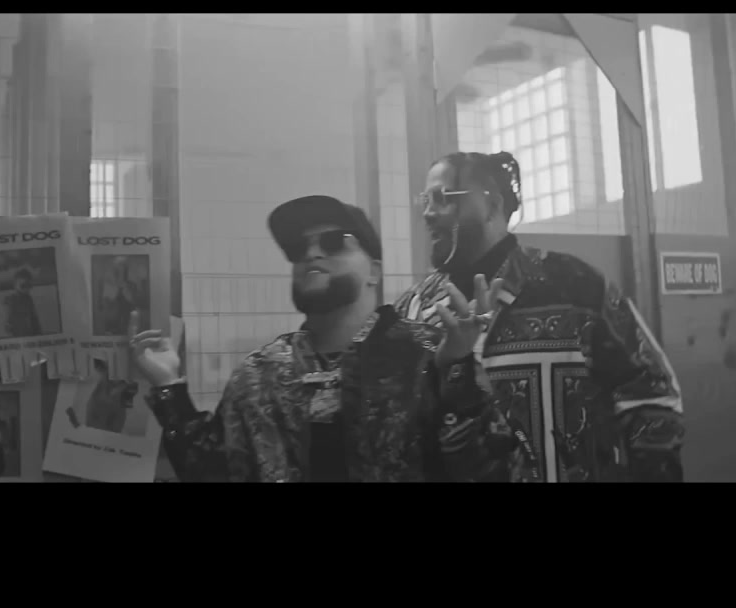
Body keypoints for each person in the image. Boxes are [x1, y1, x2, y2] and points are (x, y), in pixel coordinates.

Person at [132, 195, 514, 482]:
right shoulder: (259, 374)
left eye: (333, 241)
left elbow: (489, 471)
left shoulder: (427, 354)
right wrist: (169, 387)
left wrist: (457, 372)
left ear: (374, 271)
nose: (312, 252)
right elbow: (213, 473)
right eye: (298, 249)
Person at [395, 151, 685, 483]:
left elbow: (654, 392)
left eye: (443, 197)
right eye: (425, 201)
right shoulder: (414, 309)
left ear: (491, 205)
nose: (429, 213)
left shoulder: (577, 288)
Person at [4, 268, 42, 338]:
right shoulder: (12, 299)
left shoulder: (29, 298)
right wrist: (8, 325)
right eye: (23, 286)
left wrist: (38, 330)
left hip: (30, 331)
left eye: (29, 285)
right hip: (18, 331)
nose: (26, 289)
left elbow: (33, 315)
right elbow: (9, 315)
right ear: (15, 286)